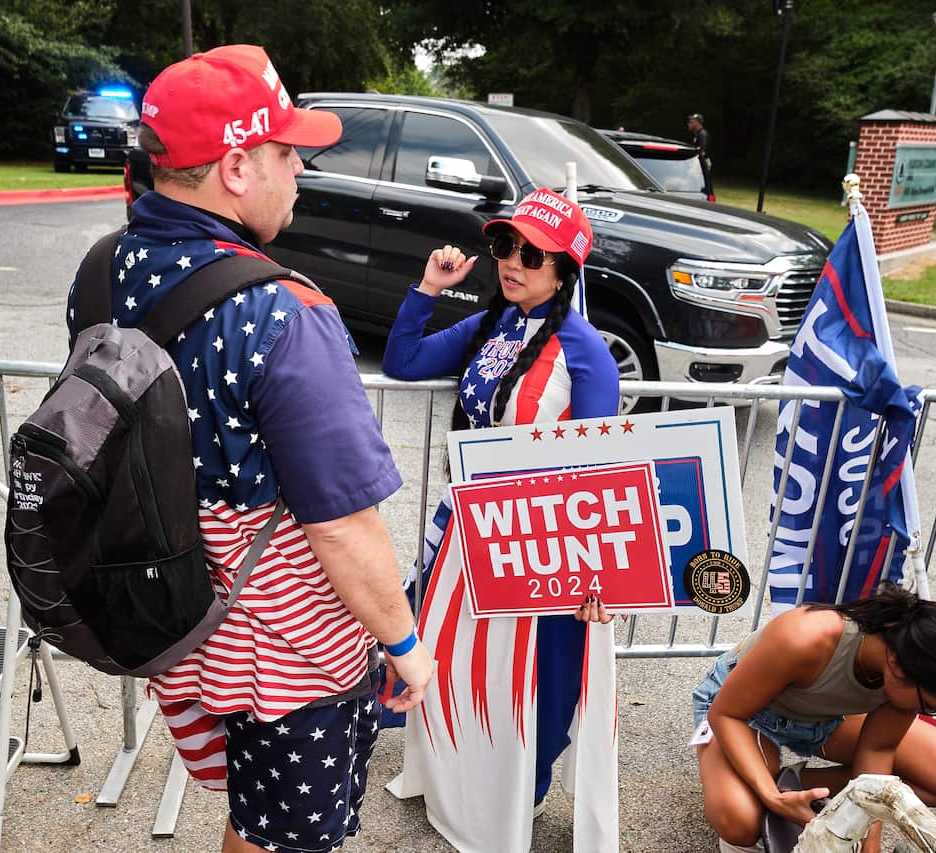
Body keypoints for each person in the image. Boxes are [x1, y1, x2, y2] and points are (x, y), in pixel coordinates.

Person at [64, 45, 434, 853]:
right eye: (286, 150)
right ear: (236, 165)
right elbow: (343, 526)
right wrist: (408, 648)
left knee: (250, 813)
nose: (300, 168)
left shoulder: (102, 272)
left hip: (174, 617)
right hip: (285, 653)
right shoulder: (284, 315)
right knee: (294, 834)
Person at [381, 189, 622, 851]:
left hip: (543, 547)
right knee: (461, 666)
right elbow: (402, 360)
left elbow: (603, 470)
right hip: (468, 531)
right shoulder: (493, 323)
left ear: (565, 267)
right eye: (504, 245)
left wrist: (598, 576)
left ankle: (519, 792)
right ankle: (457, 782)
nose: (512, 260)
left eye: (531, 251)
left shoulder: (587, 353)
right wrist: (428, 287)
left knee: (536, 679)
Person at [692, 584, 936, 853]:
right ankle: (768, 788)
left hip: (825, 717)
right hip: (742, 712)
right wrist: (770, 797)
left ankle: (797, 786)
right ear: (897, 666)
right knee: (740, 820)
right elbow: (727, 713)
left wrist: (869, 840)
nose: (931, 714)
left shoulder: (909, 663)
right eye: (931, 707)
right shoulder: (806, 636)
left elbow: (877, 750)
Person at [688, 112, 714, 198]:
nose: (690, 123)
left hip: (703, 163)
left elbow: (703, 151)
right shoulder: (697, 134)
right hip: (699, 163)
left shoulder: (702, 134)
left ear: (697, 122)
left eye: (692, 121)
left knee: (705, 182)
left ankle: (708, 198)